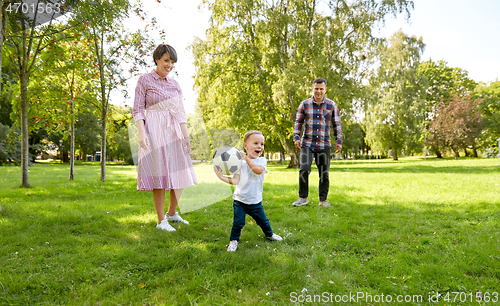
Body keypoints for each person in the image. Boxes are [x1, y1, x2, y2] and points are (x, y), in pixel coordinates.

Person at [133, 44, 197, 232]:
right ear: (157, 59)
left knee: (180, 173)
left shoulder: (175, 85)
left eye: (172, 62)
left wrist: (186, 137)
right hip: (153, 129)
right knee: (159, 174)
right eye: (166, 60)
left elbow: (180, 113)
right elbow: (137, 109)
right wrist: (141, 133)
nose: (169, 65)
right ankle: (161, 221)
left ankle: (172, 213)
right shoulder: (144, 80)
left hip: (173, 130)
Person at [214, 130, 283, 252]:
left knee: (263, 222)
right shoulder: (239, 163)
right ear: (245, 146)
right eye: (255, 143)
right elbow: (235, 180)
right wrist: (221, 177)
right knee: (238, 223)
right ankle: (233, 241)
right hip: (240, 201)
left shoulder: (262, 161)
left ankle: (270, 234)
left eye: (262, 144)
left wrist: (245, 158)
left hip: (255, 202)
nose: (259, 146)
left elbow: (258, 170)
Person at [292, 78, 342, 207]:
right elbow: (298, 122)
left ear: (325, 89)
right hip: (307, 143)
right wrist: (296, 137)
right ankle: (302, 198)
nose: (318, 91)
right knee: (304, 169)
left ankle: (322, 200)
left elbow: (336, 124)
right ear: (312, 89)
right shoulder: (304, 104)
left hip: (324, 144)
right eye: (316, 88)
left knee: (324, 173)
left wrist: (339, 140)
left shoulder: (332, 105)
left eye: (321, 88)